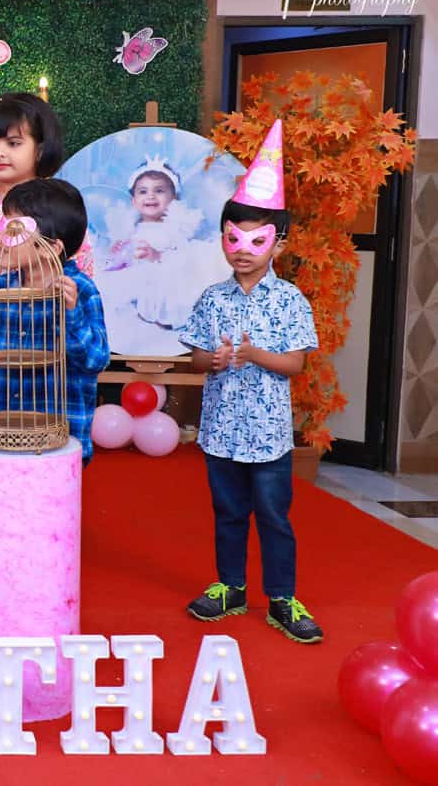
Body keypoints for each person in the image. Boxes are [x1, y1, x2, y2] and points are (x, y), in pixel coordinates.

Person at [178, 120, 323, 644]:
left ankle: (282, 596)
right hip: (220, 431)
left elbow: (297, 364)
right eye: (234, 237)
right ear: (223, 239)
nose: (243, 248)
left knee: (274, 517)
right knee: (227, 512)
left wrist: (257, 353)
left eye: (257, 239)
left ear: (278, 245)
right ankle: (229, 586)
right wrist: (211, 361)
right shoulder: (212, 298)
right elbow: (193, 358)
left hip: (268, 438)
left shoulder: (290, 301)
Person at [0, 179, 109, 464]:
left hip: (59, 443)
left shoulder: (82, 291)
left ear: (49, 247)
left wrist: (71, 314)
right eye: (4, 227)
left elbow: (95, 360)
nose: (0, 238)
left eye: (14, 230)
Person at [0, 94, 94, 277]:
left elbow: (82, 266)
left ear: (40, 150)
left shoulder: (60, 205)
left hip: (53, 304)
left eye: (13, 143)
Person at [100, 156, 226, 330]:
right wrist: (118, 251)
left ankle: (162, 315)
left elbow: (183, 256)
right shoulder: (131, 228)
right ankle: (136, 312)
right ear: (133, 201)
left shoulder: (174, 227)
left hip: (162, 272)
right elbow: (125, 254)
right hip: (136, 272)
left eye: (159, 190)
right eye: (143, 192)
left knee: (163, 285)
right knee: (113, 282)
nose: (150, 196)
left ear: (173, 198)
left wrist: (158, 255)